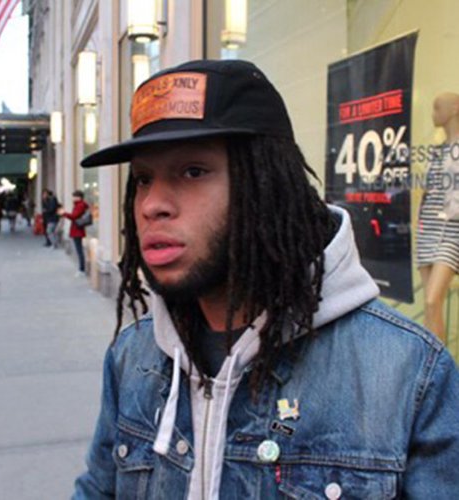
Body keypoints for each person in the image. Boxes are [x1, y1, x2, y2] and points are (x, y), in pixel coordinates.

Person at [73, 60, 459, 499]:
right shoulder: (133, 356)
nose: (151, 205)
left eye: (193, 171)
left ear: (266, 185)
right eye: (143, 179)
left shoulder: (406, 371)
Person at [416, 92, 459, 341]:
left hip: (452, 232)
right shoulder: (436, 151)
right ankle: (430, 359)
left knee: (433, 300)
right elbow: (427, 192)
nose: (433, 114)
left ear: (454, 109)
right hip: (428, 229)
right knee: (430, 306)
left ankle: (439, 363)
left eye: (437, 108)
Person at [60, 190, 89, 276]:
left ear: (79, 197)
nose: (73, 198)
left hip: (77, 230)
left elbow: (74, 216)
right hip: (77, 229)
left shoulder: (80, 205)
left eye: (74, 197)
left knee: (79, 250)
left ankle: (81, 269)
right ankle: (81, 268)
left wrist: (64, 213)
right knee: (79, 249)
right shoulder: (79, 205)